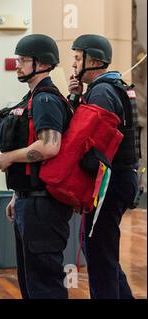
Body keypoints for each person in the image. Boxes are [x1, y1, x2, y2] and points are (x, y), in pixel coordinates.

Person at [0, 34, 73, 299]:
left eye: (23, 60)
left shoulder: (45, 100)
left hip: (44, 208)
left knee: (44, 285)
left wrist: (10, 158)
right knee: (31, 283)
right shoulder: (32, 98)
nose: (17, 65)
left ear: (41, 63)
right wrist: (16, 195)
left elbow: (50, 146)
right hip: (30, 202)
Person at [68, 34, 141, 299]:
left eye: (78, 57)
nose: (74, 64)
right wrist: (77, 97)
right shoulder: (114, 86)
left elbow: (86, 141)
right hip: (123, 178)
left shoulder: (101, 92)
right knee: (100, 252)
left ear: (94, 60)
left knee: (99, 257)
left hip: (110, 182)